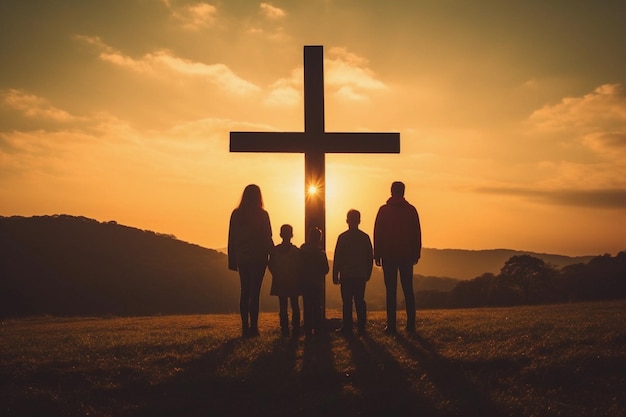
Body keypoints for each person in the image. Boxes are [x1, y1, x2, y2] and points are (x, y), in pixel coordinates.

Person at [373, 181, 422, 334]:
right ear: (403, 192)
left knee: (391, 291)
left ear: (391, 191)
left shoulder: (384, 210)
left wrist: (377, 254)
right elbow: (417, 233)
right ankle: (410, 324)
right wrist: (416, 252)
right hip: (407, 254)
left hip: (388, 254)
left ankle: (392, 325)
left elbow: (378, 233)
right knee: (408, 290)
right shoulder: (411, 210)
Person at [228, 184, 274, 337]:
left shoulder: (237, 214)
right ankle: (254, 327)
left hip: (243, 258)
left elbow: (232, 238)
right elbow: (267, 238)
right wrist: (274, 256)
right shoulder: (262, 214)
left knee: (245, 291)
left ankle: (245, 327)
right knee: (255, 293)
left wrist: (232, 260)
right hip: (259, 258)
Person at [333, 209, 373, 336]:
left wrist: (335, 274)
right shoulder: (365, 237)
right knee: (360, 301)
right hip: (360, 274)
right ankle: (361, 326)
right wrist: (368, 273)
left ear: (347, 221)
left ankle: (347, 327)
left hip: (346, 275)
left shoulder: (343, 237)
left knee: (347, 302)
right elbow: (369, 257)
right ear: (359, 221)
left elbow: (337, 257)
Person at [268, 224, 302, 337]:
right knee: (295, 304)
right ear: (292, 235)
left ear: (280, 234)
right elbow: (300, 266)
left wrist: (276, 275)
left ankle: (284, 327)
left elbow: (271, 265)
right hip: (294, 281)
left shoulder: (275, 251)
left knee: (283, 305)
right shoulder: (297, 252)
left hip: (280, 280)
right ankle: (296, 327)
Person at [300, 227, 329, 339]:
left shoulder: (302, 251)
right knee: (317, 306)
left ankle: (307, 330)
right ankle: (317, 329)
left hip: (305, 283)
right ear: (319, 239)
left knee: (307, 306)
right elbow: (326, 269)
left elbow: (299, 267)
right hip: (317, 284)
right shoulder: (320, 253)